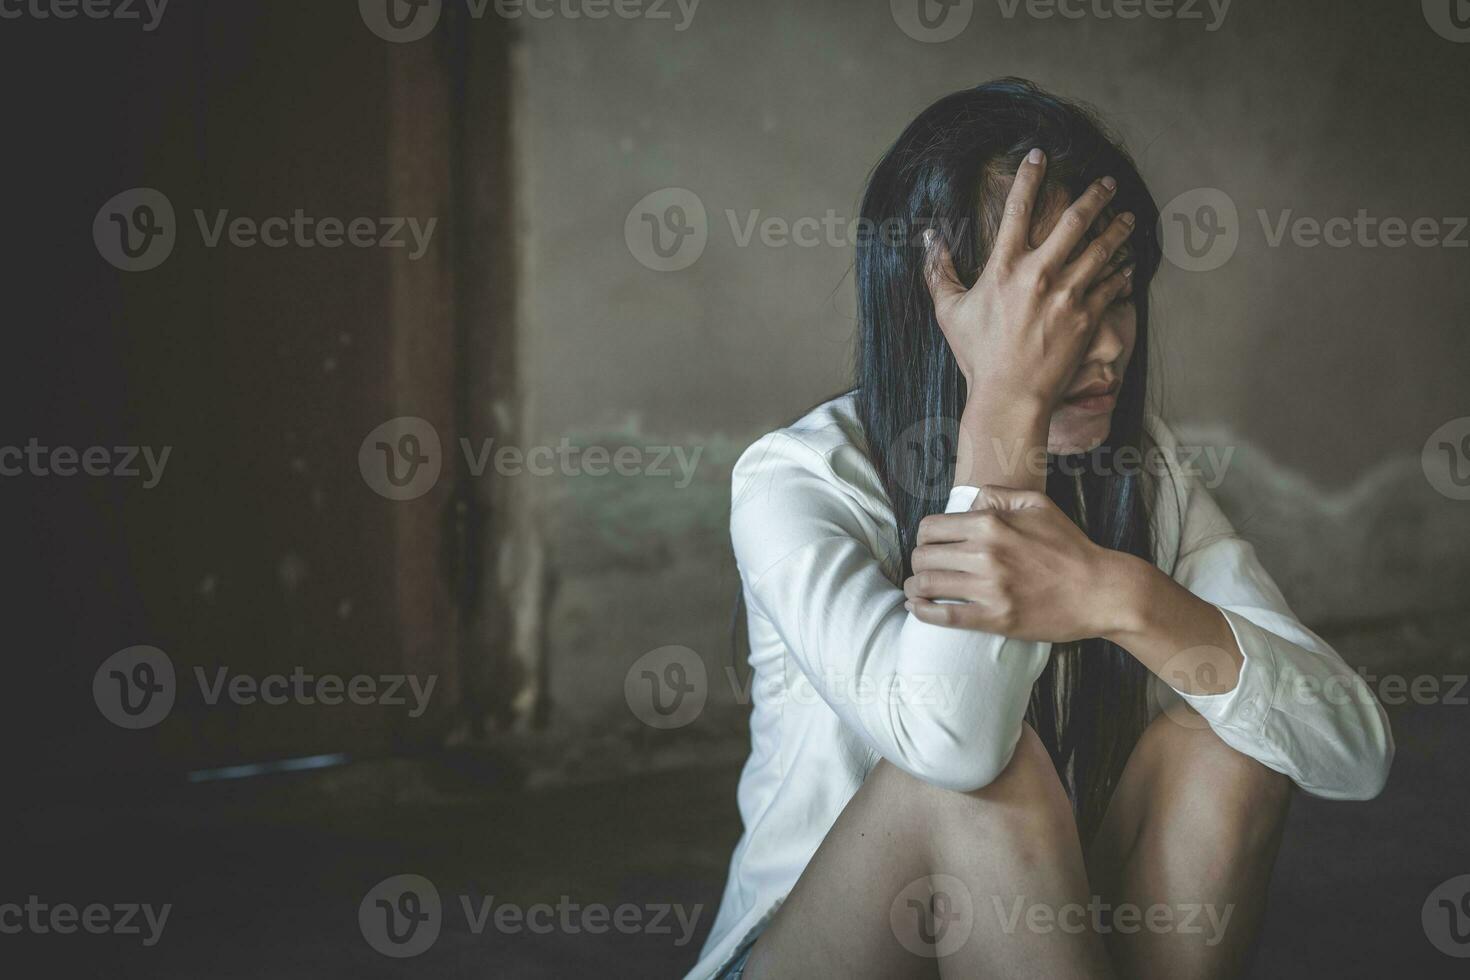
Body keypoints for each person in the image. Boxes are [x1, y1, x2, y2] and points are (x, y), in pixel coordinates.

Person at [689, 78, 1393, 980]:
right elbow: (955, 747)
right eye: (1053, 316)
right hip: (819, 952)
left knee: (1233, 738)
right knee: (981, 779)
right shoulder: (801, 479)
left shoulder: (1142, 472)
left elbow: (1352, 753)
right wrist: (1004, 417)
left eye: (1120, 298)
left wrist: (1119, 594)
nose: (1106, 349)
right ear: (940, 312)